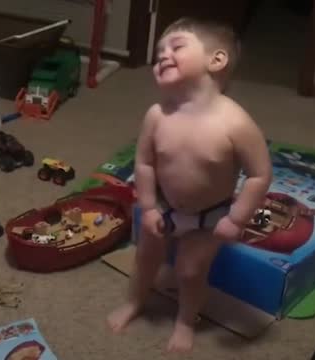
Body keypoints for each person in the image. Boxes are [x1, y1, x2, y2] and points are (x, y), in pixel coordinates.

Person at [106, 17, 273, 353]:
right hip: (164, 205)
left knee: (189, 270)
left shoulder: (235, 122)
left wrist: (237, 219)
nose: (163, 55)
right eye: (159, 52)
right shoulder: (157, 115)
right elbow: (144, 162)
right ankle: (135, 302)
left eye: (176, 47)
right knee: (146, 258)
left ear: (217, 60)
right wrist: (149, 205)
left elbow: (260, 174)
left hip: (210, 216)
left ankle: (185, 320)